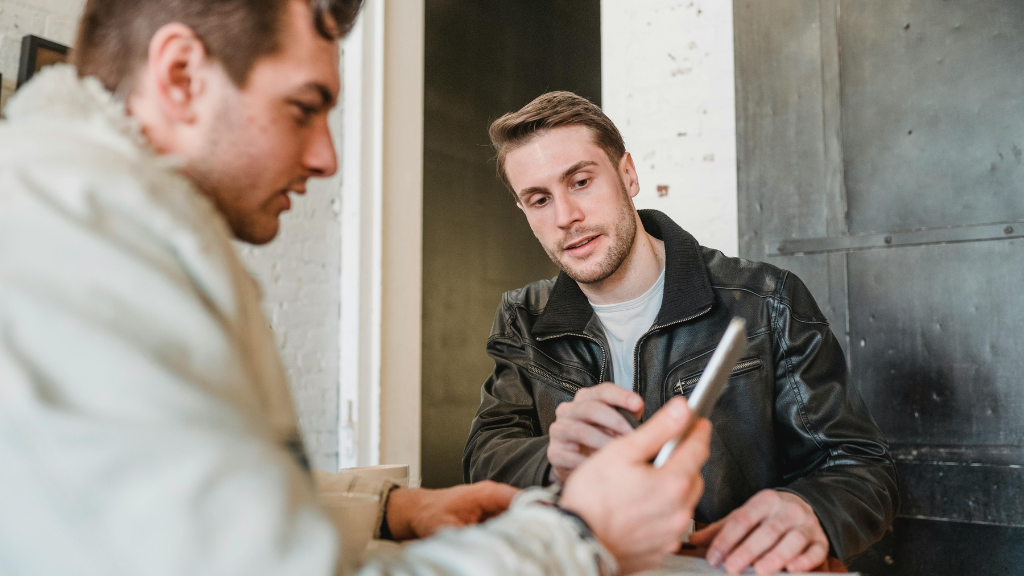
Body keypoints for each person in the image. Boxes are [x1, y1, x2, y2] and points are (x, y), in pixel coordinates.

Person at [0, 1, 713, 575]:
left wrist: (390, 509)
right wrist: (578, 538)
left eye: (581, 182)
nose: (326, 156)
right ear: (181, 74)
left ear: (627, 174)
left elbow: (193, 519)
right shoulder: (82, 251)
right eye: (304, 107)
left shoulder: (99, 220)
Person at [463, 91, 901, 575]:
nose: (565, 217)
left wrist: (811, 510)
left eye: (581, 181)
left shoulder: (766, 300)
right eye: (539, 200)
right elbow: (485, 458)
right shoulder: (523, 317)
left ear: (628, 174)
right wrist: (553, 459)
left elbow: (860, 466)